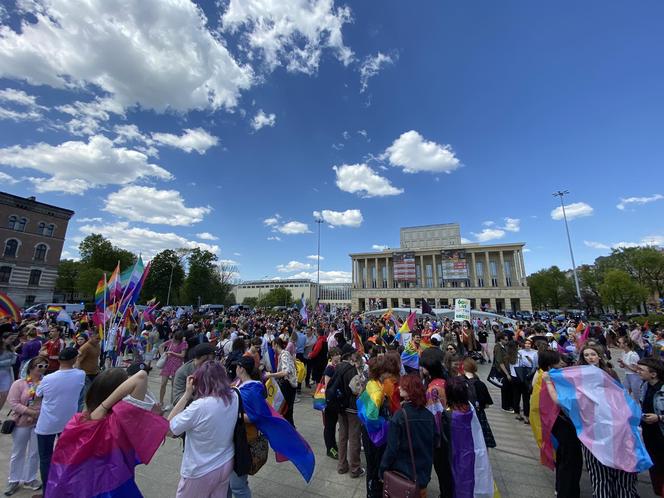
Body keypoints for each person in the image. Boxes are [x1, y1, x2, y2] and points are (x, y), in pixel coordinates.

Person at [45, 368, 169, 497]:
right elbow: (141, 376)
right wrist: (104, 407)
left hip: (82, 485)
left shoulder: (78, 421)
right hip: (114, 484)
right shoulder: (120, 419)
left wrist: (102, 408)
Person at [168, 361, 238, 498]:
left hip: (201, 469)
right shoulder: (234, 396)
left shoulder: (200, 406)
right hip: (225, 461)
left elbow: (168, 428)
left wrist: (187, 394)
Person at [34, 346, 86, 491]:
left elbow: (38, 395)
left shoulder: (48, 379)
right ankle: (63, 487)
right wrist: (78, 357)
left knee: (45, 459)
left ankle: (47, 490)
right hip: (68, 423)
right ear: (74, 359)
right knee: (66, 456)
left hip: (46, 424)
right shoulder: (80, 375)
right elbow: (78, 367)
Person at [533, 350, 582, 498]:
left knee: (564, 458)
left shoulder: (543, 375)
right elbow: (559, 400)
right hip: (561, 423)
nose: (562, 362)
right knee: (569, 460)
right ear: (550, 365)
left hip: (554, 423)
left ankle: (563, 489)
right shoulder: (550, 378)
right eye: (558, 360)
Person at [380, 374, 435, 497]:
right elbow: (435, 442)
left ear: (410, 392)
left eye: (403, 387)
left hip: (403, 472)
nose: (398, 388)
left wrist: (383, 469)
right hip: (423, 473)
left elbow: (391, 449)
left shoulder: (399, 416)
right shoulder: (429, 416)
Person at [445, 376, 494, 498]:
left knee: (457, 484)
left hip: (455, 456)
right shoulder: (469, 407)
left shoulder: (449, 415)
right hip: (473, 453)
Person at [4, 356, 47, 496]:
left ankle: (30, 478)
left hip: (38, 423)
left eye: (44, 366)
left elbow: (48, 402)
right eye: (39, 366)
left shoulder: (46, 383)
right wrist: (30, 412)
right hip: (21, 423)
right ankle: (14, 479)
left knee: (35, 453)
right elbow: (13, 402)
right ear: (31, 367)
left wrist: (37, 414)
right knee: (18, 452)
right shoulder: (19, 383)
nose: (42, 368)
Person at [421, 354, 453, 498]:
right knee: (447, 467)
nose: (420, 369)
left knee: (442, 468)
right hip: (449, 429)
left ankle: (446, 493)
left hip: (439, 434)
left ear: (429, 370)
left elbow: (431, 415)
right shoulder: (443, 382)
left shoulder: (432, 390)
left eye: (423, 367)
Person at [331, 352, 364, 478]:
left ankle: (342, 465)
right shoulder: (352, 370)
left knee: (343, 436)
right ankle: (355, 468)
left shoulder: (338, 367)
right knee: (354, 436)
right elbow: (357, 391)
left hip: (340, 406)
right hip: (352, 408)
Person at [637, 357, 664, 496]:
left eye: (641, 369)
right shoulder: (644, 386)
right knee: (655, 468)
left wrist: (658, 417)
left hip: (661, 434)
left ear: (653, 374)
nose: (638, 371)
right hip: (649, 435)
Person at [463, 357, 495, 448]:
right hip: (479, 415)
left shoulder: (460, 383)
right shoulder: (480, 384)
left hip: (464, 415)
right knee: (481, 441)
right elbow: (487, 404)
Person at [265, 338, 297, 427]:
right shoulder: (282, 355)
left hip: (288, 386)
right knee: (287, 412)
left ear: (276, 344)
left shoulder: (284, 355)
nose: (272, 348)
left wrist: (270, 375)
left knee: (286, 411)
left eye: (272, 345)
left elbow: (285, 372)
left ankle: (291, 433)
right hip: (289, 386)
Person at [509, 338, 537, 424]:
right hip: (517, 376)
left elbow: (535, 365)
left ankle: (526, 415)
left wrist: (530, 362)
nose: (527, 345)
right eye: (526, 343)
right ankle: (517, 413)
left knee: (526, 397)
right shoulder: (519, 352)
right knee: (517, 396)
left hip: (527, 377)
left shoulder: (535, 353)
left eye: (529, 343)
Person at [159, 330, 188, 410]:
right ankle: (161, 401)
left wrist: (172, 353)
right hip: (168, 364)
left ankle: (172, 403)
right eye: (175, 338)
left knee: (173, 386)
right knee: (163, 384)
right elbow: (161, 346)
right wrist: (163, 355)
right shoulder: (171, 341)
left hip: (177, 365)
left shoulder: (183, 343)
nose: (175, 340)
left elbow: (183, 355)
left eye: (177, 339)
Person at [322, 347, 341, 459]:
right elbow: (327, 386)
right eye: (336, 354)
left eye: (339, 354)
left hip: (336, 402)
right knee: (329, 426)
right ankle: (330, 448)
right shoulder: (329, 368)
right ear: (331, 356)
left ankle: (333, 446)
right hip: (330, 402)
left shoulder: (337, 366)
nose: (338, 356)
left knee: (333, 425)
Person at [492, 333, 512, 412]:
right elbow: (500, 362)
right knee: (505, 389)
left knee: (508, 388)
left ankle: (509, 404)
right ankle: (505, 406)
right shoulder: (498, 347)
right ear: (501, 339)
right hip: (502, 370)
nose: (507, 341)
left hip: (506, 369)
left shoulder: (504, 346)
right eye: (505, 340)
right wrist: (507, 374)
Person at [618, 336, 641, 402]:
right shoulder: (624, 353)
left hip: (635, 376)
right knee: (625, 392)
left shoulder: (633, 355)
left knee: (637, 396)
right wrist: (621, 364)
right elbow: (623, 366)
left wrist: (623, 363)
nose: (618, 344)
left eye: (620, 343)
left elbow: (636, 369)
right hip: (628, 375)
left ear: (626, 344)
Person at [0, 332, 17, 415]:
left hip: (6, 374)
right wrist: (8, 362)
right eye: (10, 339)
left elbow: (14, 360)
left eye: (12, 339)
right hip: (2, 372)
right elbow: (11, 360)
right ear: (3, 339)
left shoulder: (11, 348)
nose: (11, 341)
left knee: (4, 394)